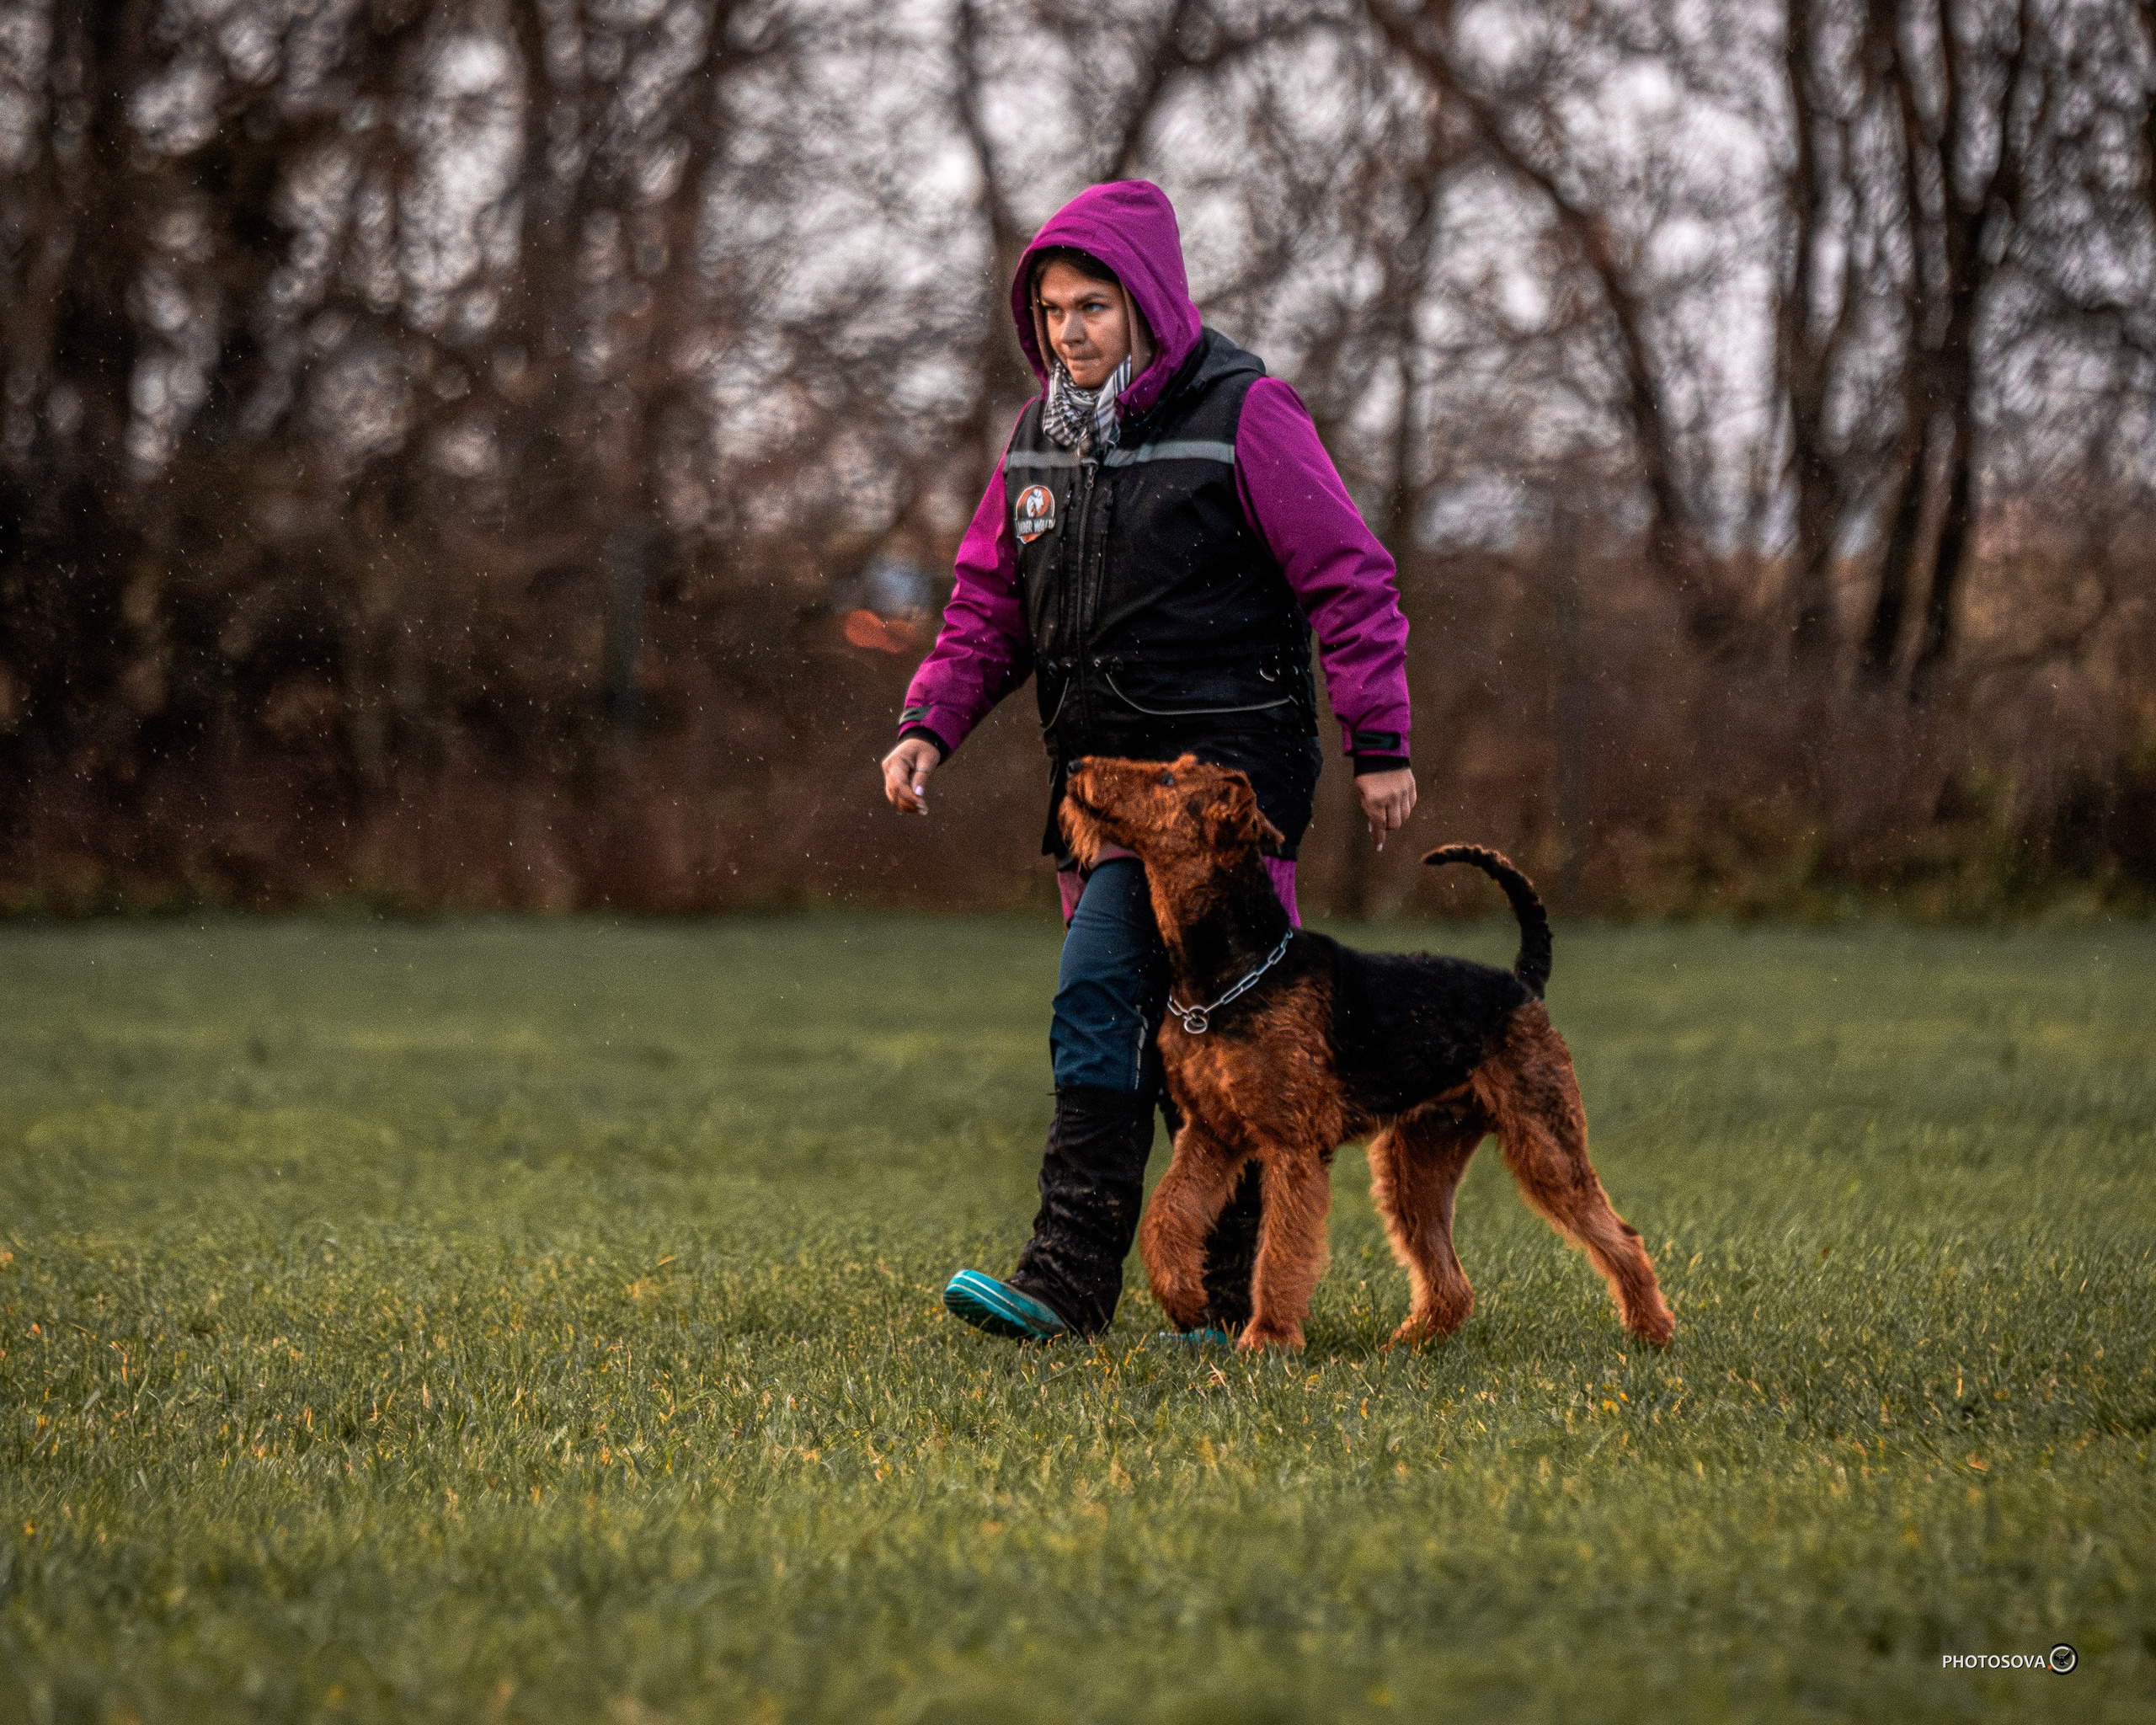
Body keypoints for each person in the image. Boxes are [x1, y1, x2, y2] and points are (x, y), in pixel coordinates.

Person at [878, 179, 1414, 1343]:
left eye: (1095, 307)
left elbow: (1350, 578)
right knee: (1197, 1033)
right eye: (1054, 312)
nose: (1069, 333)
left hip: (1216, 795)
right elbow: (987, 607)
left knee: (1104, 998)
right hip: (1097, 798)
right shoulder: (1035, 443)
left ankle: (1068, 1284)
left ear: (1151, 306)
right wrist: (931, 721)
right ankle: (1216, 1309)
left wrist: (1381, 743)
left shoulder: (1244, 414)